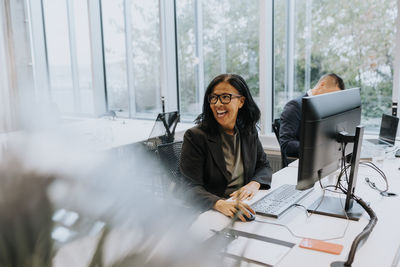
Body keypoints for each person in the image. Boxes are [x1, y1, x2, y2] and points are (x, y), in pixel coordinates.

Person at [180, 74, 272, 221]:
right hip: (212, 211)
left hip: (244, 205)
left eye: (225, 97)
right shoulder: (196, 136)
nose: (217, 104)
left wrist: (254, 184)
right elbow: (189, 187)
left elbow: (264, 165)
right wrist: (219, 204)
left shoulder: (248, 130)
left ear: (241, 101)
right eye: (213, 98)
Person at [279, 73, 345, 158]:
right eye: (332, 94)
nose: (333, 99)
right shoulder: (295, 106)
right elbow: (286, 144)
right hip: (303, 161)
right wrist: (316, 148)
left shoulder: (325, 108)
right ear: (322, 85)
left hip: (324, 159)